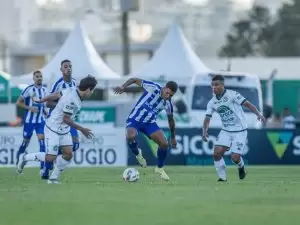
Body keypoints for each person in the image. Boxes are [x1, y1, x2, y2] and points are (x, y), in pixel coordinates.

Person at [17, 75, 97, 184]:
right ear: (88, 89)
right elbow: (66, 119)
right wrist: (82, 129)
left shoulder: (72, 89)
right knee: (50, 157)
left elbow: (57, 94)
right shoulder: (72, 100)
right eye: (92, 90)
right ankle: (25, 158)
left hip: (64, 130)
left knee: (68, 154)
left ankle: (53, 178)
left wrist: (42, 99)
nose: (92, 93)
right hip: (53, 128)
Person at [202, 75, 265, 182]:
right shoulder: (212, 102)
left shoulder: (232, 94)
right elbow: (207, 118)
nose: (213, 87)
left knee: (234, 158)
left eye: (216, 85)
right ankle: (222, 177)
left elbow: (247, 104)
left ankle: (241, 167)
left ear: (222, 85)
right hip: (226, 130)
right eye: (212, 85)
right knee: (216, 154)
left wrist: (259, 114)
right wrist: (204, 132)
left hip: (240, 131)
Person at [114, 78, 178, 181]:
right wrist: (123, 86)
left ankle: (159, 169)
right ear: (164, 88)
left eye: (171, 95)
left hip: (149, 123)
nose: (168, 96)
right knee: (130, 136)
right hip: (135, 119)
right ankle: (137, 154)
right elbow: (134, 79)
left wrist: (173, 137)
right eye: (168, 93)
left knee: (164, 144)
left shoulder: (168, 104)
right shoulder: (153, 87)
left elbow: (171, 120)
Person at [42, 59, 79, 179]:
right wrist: (61, 106)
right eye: (66, 67)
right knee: (56, 148)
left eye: (70, 66)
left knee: (75, 145)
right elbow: (48, 103)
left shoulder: (74, 83)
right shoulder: (58, 84)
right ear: (61, 69)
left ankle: (51, 165)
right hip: (58, 121)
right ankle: (47, 168)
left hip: (69, 120)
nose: (68, 68)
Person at [15, 70, 48, 178]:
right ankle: (18, 164)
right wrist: (29, 108)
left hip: (40, 122)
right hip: (29, 121)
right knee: (25, 143)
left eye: (40, 76)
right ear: (33, 78)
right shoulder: (29, 89)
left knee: (42, 143)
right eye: (37, 76)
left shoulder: (44, 90)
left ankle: (43, 168)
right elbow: (18, 102)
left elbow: (42, 104)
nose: (39, 78)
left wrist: (45, 112)